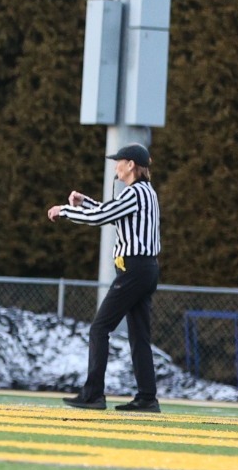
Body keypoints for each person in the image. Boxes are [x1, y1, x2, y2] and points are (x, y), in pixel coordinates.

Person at [48, 143, 163, 412]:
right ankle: (147, 398)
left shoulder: (135, 193)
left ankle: (93, 395)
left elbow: (102, 216)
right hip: (144, 269)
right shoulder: (144, 193)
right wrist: (84, 202)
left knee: (99, 328)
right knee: (139, 336)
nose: (115, 167)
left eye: (119, 161)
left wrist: (64, 211)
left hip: (134, 270)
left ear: (131, 165)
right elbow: (111, 213)